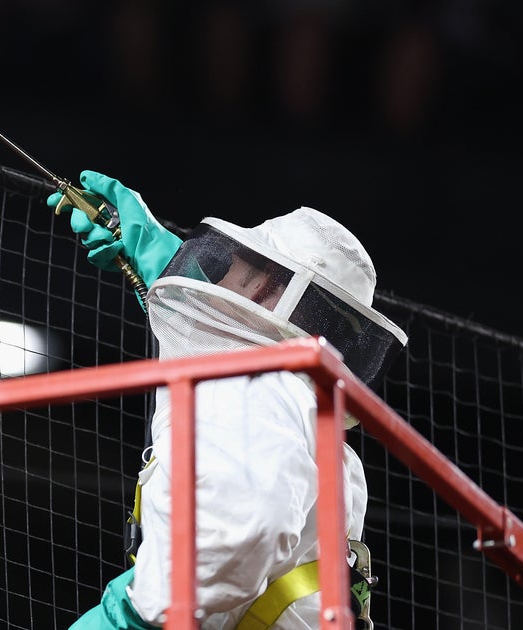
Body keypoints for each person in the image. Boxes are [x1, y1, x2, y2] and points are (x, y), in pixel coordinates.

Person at [48, 170, 408, 629]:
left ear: (265, 287)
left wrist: (130, 616)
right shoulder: (293, 403)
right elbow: (214, 337)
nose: (223, 270)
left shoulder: (253, 389)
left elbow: (248, 528)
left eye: (241, 263)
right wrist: (157, 255)